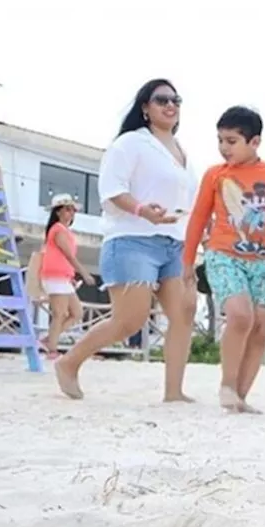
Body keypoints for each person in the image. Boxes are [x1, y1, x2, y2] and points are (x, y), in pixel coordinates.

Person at [53, 78, 198, 401]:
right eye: (161, 99)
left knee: (183, 314)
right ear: (145, 107)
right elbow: (112, 189)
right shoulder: (130, 143)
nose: (170, 105)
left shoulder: (181, 153)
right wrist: (142, 209)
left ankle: (174, 392)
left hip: (174, 243)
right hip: (132, 240)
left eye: (176, 99)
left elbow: (191, 201)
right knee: (129, 321)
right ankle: (68, 362)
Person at [183, 106, 265, 412]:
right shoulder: (215, 175)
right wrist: (187, 261)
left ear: (254, 142)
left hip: (262, 263)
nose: (224, 148)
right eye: (220, 141)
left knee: (262, 326)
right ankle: (226, 385)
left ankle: (240, 395)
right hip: (223, 255)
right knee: (240, 316)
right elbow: (198, 218)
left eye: (231, 141)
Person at [38, 193, 94, 359]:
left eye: (72, 210)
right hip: (55, 276)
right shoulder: (58, 230)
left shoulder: (62, 230)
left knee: (76, 313)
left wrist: (71, 274)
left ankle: (49, 340)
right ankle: (52, 349)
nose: (72, 213)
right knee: (60, 313)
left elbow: (65, 257)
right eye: (68, 210)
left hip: (62, 277)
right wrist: (84, 273)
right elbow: (68, 255)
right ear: (58, 212)